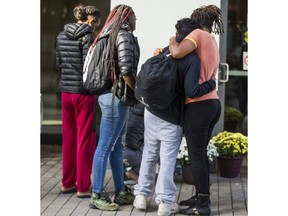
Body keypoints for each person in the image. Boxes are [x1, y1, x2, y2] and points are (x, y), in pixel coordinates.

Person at [133, 18, 216, 216]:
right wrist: (211, 83)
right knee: (168, 159)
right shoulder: (192, 59)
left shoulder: (165, 49)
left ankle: (141, 197)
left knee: (149, 154)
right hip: (171, 116)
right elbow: (191, 90)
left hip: (151, 111)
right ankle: (165, 202)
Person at [168, 5, 224, 215]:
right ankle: (201, 195)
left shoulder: (198, 34)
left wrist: (172, 40)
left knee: (197, 154)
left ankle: (203, 205)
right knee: (198, 155)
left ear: (197, 21)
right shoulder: (212, 40)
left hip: (198, 104)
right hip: (212, 103)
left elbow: (176, 52)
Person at [89, 4, 140, 211]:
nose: (137, 21)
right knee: (105, 146)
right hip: (116, 98)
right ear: (127, 17)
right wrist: (137, 93)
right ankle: (97, 193)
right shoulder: (123, 34)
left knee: (116, 145)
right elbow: (127, 69)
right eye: (135, 17)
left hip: (107, 95)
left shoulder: (105, 34)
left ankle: (120, 190)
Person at [55, 4, 101, 198]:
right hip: (83, 93)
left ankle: (67, 183)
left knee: (68, 137)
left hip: (65, 91)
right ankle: (83, 187)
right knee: (84, 139)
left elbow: (58, 64)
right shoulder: (88, 36)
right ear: (91, 20)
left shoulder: (60, 35)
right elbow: (87, 67)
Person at [123, 103, 145, 182]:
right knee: (155, 146)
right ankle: (133, 173)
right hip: (131, 154)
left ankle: (127, 170)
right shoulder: (147, 112)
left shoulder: (124, 108)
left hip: (119, 154)